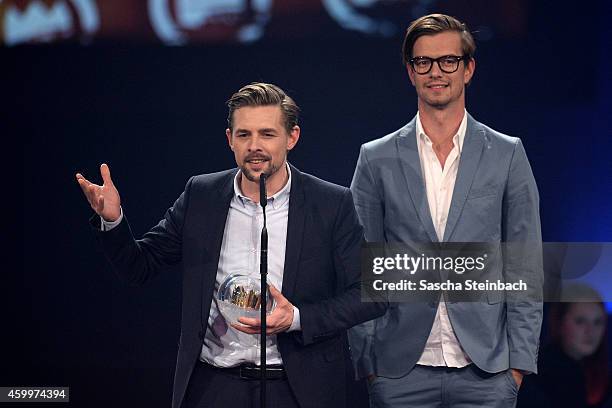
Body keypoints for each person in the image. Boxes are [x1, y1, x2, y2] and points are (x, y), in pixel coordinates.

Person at [76, 82, 386, 408]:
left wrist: (296, 317)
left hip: (300, 390)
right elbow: (139, 267)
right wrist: (112, 220)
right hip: (214, 387)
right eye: (244, 135)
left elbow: (371, 294)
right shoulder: (202, 195)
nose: (255, 146)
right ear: (230, 140)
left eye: (267, 134)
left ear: (291, 137)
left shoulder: (331, 203)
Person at [348, 13, 543, 407]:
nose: (436, 72)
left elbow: (524, 265)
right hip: (398, 370)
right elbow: (360, 265)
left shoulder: (507, 154)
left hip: (486, 371)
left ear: (468, 69)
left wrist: (518, 366)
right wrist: (367, 361)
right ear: (411, 72)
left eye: (448, 61)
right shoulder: (376, 158)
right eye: (424, 62)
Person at [518, 284, 611, 408]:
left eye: (597, 322)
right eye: (580, 321)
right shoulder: (539, 376)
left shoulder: (598, 376)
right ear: (560, 322)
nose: (590, 331)